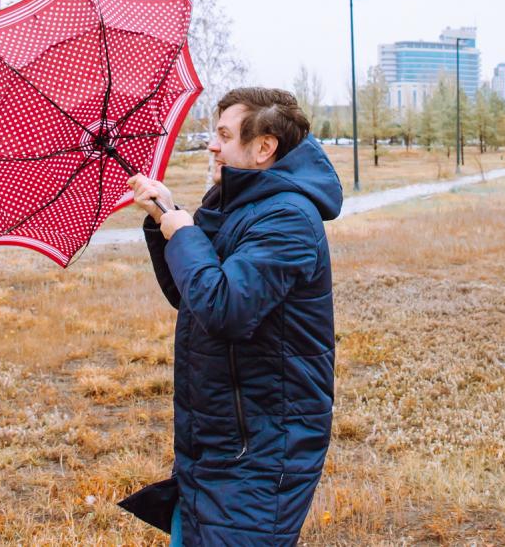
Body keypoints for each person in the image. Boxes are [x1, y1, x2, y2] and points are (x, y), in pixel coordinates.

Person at [119, 87, 343, 545]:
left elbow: (225, 308)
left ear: (264, 147)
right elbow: (194, 297)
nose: (212, 145)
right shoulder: (237, 205)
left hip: (262, 448)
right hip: (218, 437)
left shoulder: (288, 219)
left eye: (223, 135)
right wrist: (166, 216)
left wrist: (182, 230)